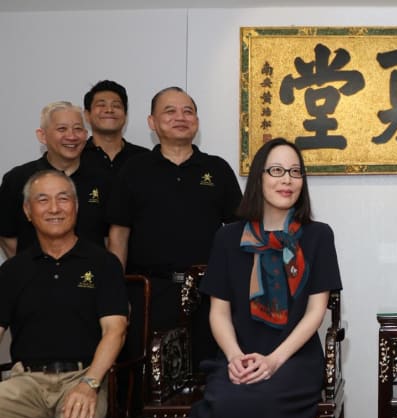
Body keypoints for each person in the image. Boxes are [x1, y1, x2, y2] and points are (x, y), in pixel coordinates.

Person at [174, 138, 341, 418]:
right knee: (228, 408)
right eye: (275, 171)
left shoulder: (317, 235)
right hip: (237, 359)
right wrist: (235, 358)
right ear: (258, 178)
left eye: (295, 172)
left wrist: (273, 360)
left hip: (295, 360)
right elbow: (218, 312)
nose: (286, 181)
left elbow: (316, 312)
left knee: (252, 408)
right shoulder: (229, 237)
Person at [0, 170, 128, 418]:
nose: (54, 208)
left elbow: (115, 329)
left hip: (82, 376)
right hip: (26, 381)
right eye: (43, 200)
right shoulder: (13, 271)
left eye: (62, 199)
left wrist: (91, 383)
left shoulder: (102, 263)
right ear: (27, 210)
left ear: (75, 206)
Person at [106, 86, 242, 365]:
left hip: (208, 293)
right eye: (170, 111)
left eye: (188, 111)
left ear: (197, 121)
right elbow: (118, 236)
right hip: (148, 292)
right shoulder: (133, 170)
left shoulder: (217, 169)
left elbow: (240, 233)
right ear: (152, 122)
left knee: (206, 370)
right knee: (149, 376)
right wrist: (117, 294)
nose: (180, 117)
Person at [0, 102, 109, 258]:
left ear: (86, 135)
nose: (71, 136)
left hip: (89, 278)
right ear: (42, 135)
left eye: (78, 129)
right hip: (34, 279)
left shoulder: (104, 180)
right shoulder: (17, 179)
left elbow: (109, 236)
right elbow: (6, 235)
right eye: (61, 129)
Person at [81, 79, 148, 178]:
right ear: (87, 115)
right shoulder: (76, 156)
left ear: (125, 115)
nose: (109, 110)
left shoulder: (144, 158)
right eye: (101, 105)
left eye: (116, 105)